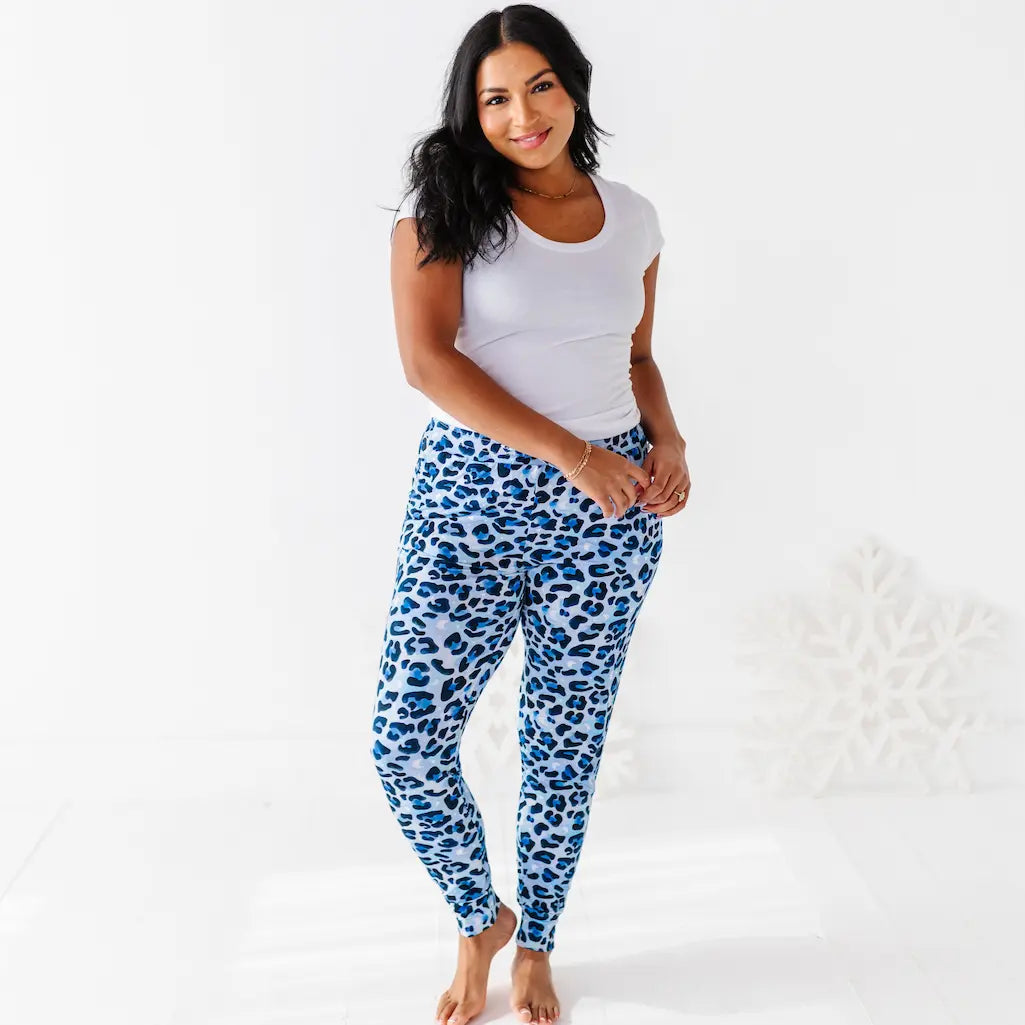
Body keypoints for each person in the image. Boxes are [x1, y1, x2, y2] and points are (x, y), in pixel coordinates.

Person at [371, 6, 690, 1025]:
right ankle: (479, 917)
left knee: (563, 741)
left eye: (538, 87)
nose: (521, 115)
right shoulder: (440, 218)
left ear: (572, 86)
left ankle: (537, 940)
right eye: (494, 98)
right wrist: (571, 454)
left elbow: (633, 355)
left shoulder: (631, 218)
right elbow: (427, 364)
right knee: (404, 737)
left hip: (609, 510)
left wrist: (667, 443)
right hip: (470, 497)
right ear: (472, 112)